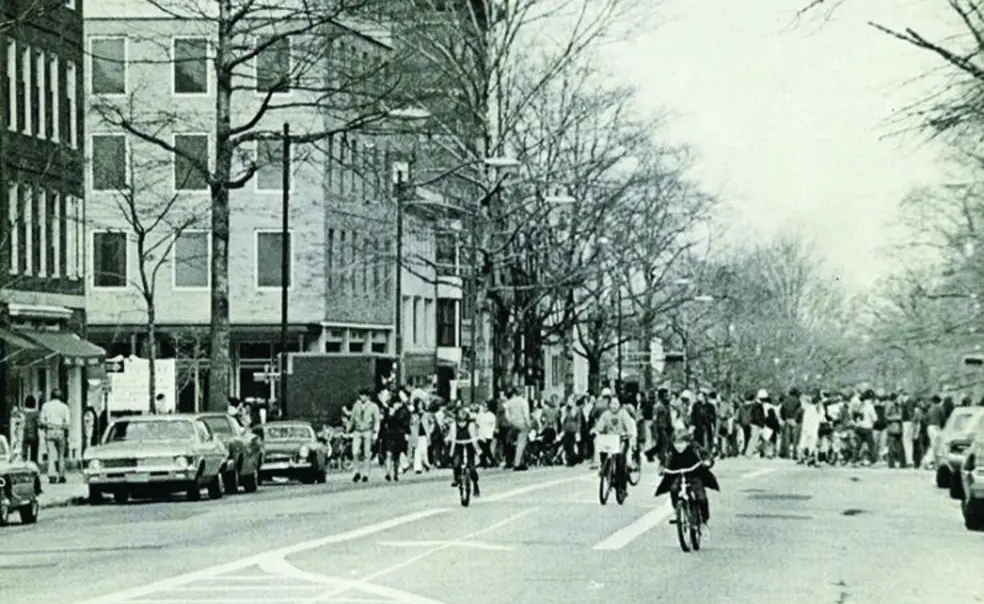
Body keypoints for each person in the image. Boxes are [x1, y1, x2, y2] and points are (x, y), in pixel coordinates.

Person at [653, 428, 719, 526]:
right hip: (678, 475)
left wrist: (707, 462)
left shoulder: (694, 447)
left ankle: (704, 518)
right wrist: (662, 469)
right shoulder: (670, 450)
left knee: (701, 497)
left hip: (695, 475)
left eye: (682, 442)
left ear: (688, 442)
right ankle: (679, 511)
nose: (679, 446)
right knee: (674, 489)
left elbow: (706, 455)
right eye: (676, 443)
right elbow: (664, 460)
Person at [591, 390, 635, 492]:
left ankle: (622, 487)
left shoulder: (623, 414)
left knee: (620, 461)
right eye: (612, 403)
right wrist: (596, 431)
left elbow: (629, 426)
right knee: (603, 454)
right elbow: (600, 426)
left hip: (621, 440)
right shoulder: (606, 415)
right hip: (609, 441)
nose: (614, 406)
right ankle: (606, 475)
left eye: (616, 403)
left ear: (619, 404)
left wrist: (628, 433)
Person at [448, 402, 481, 497]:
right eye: (460, 422)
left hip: (469, 445)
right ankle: (456, 478)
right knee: (456, 463)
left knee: (472, 468)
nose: (462, 424)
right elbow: (453, 440)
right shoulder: (453, 426)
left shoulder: (471, 426)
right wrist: (450, 454)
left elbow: (474, 440)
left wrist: (479, 452)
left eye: (464, 422)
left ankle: (475, 484)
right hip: (458, 445)